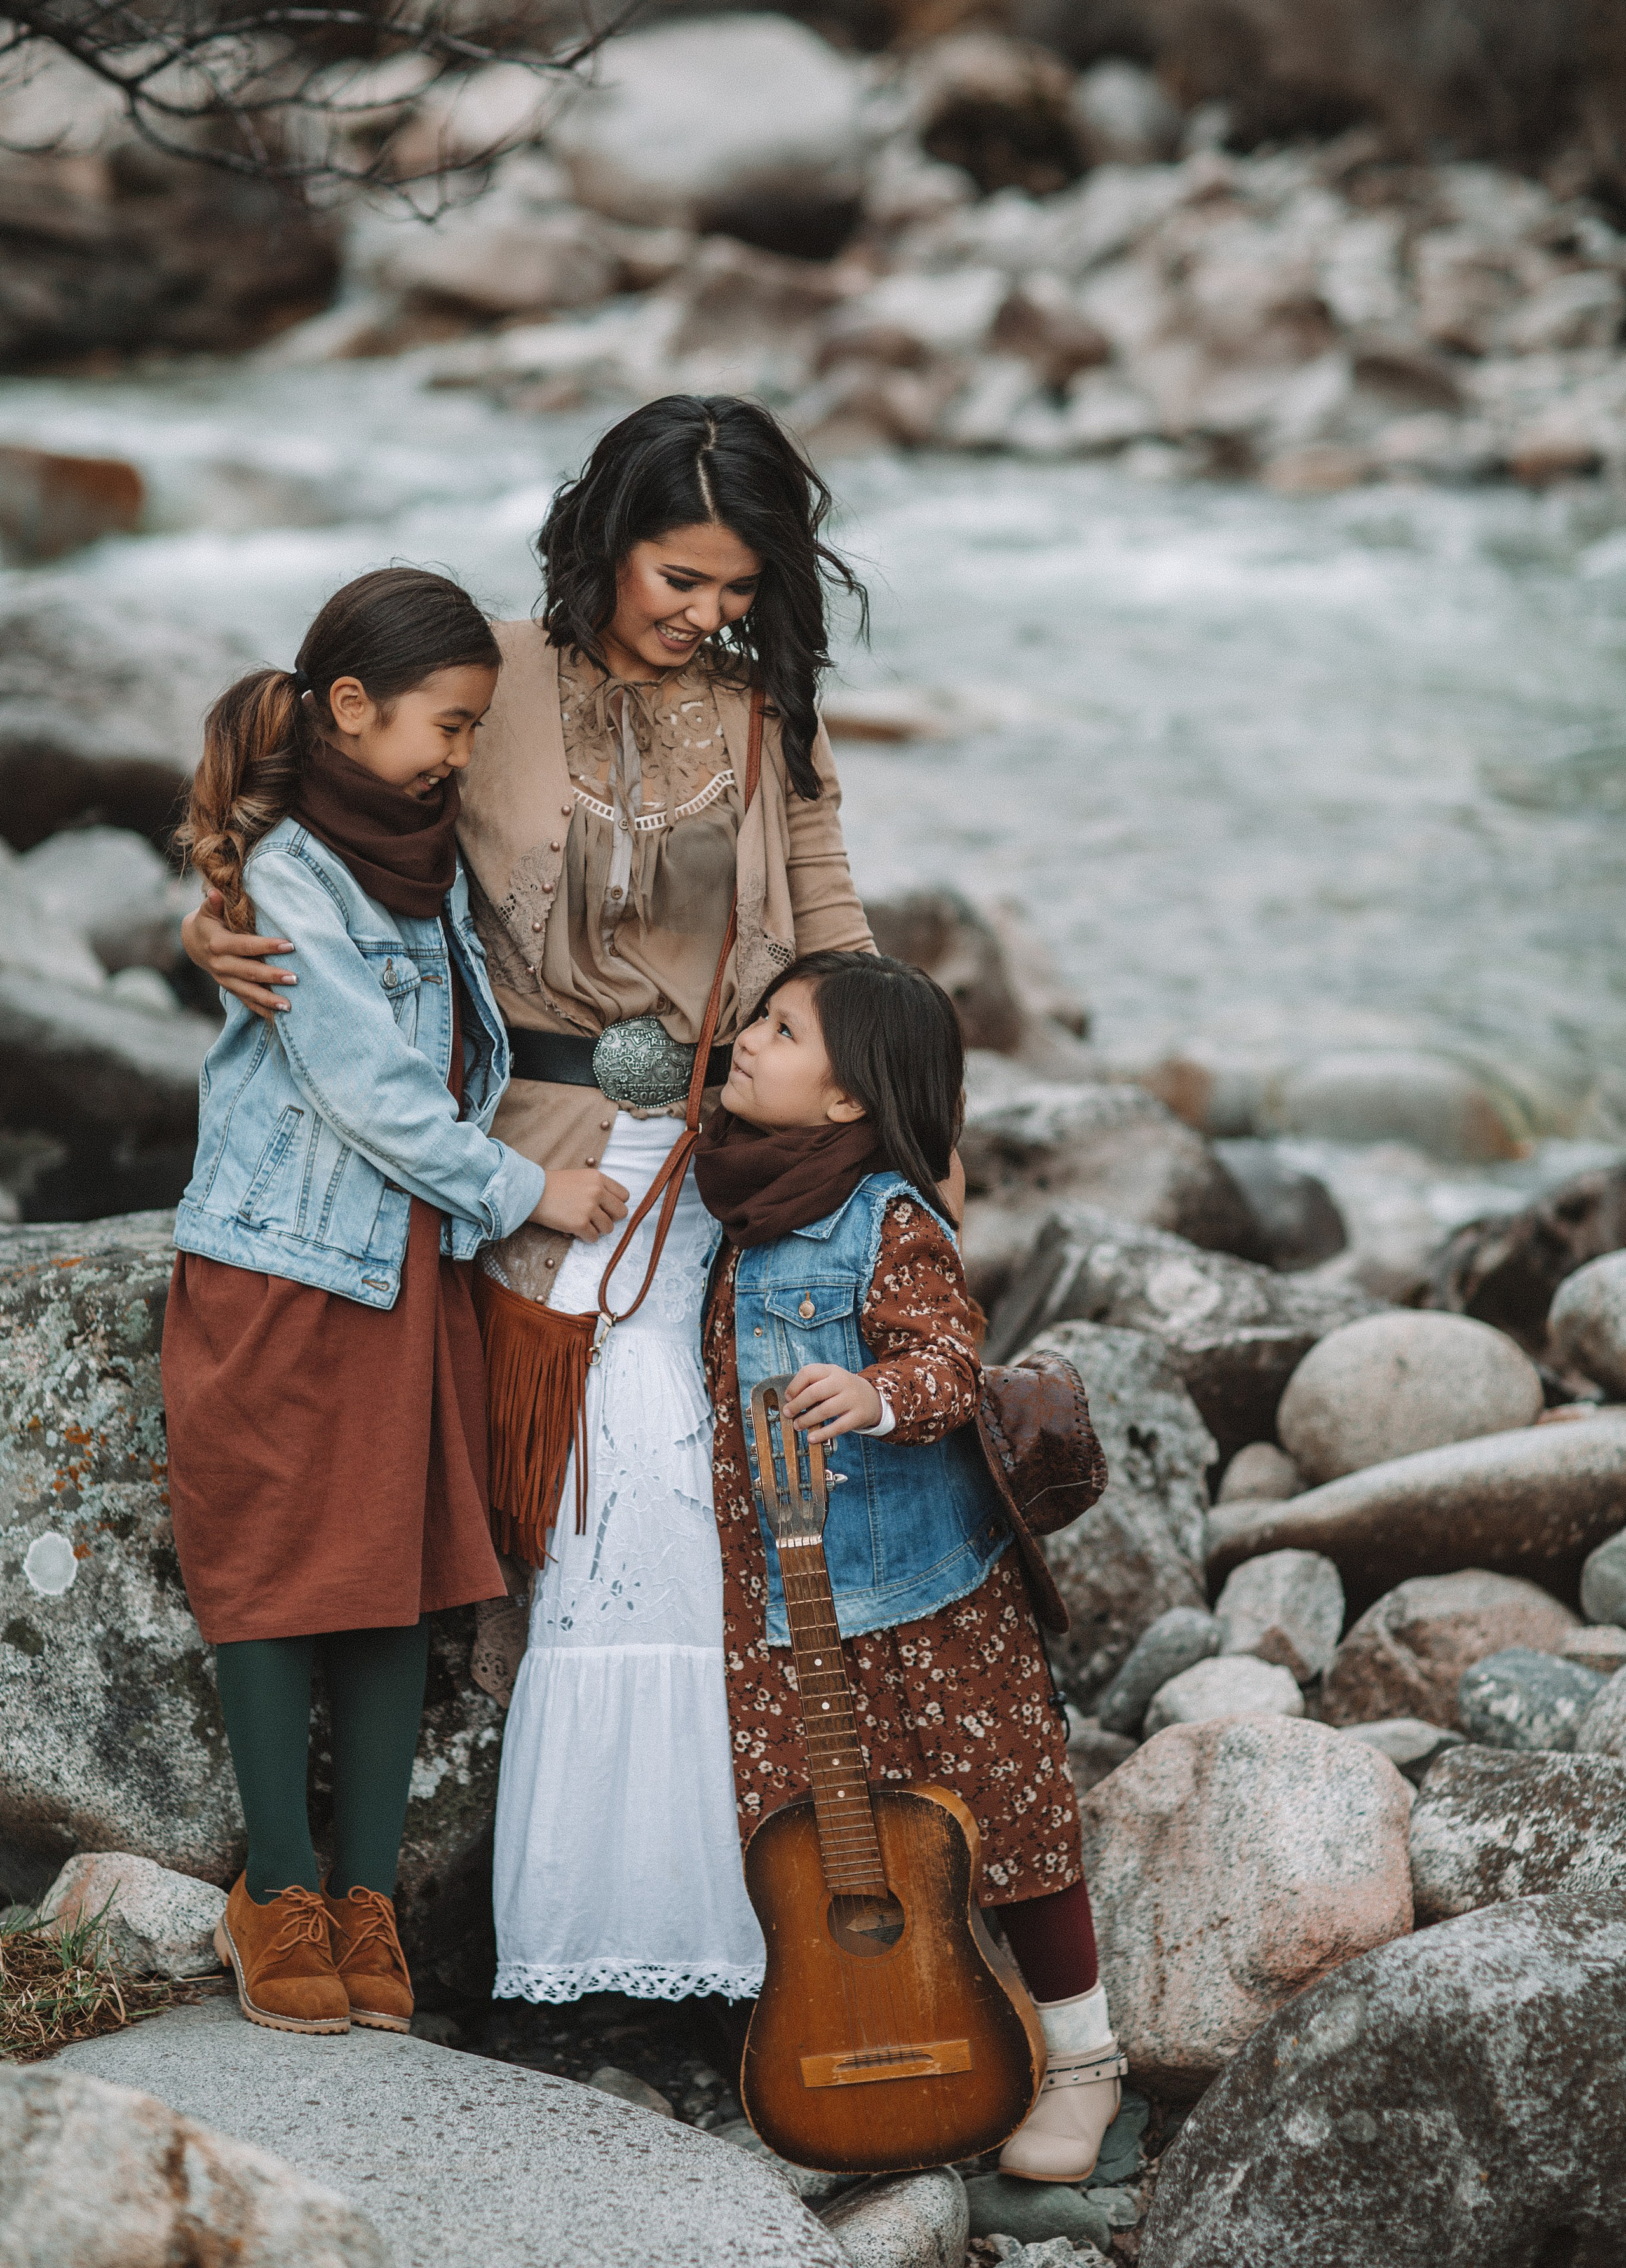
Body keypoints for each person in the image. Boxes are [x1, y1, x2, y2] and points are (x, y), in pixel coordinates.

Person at [180, 396, 881, 2008]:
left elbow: (830, 914)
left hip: (725, 1152)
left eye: (738, 585)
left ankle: (728, 1939)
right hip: (524, 1159)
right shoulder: (479, 680)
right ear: (606, 539)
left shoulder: (772, 704)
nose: (707, 614)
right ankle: (569, 1937)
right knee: (601, 1491)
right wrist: (207, 932)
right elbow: (298, 818)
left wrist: (905, 1119)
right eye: (680, 576)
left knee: (728, 1490)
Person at [163, 566, 571, 2039]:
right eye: (447, 727)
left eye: (474, 729)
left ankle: (368, 1897)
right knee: (274, 1568)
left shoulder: (425, 848)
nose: (461, 756)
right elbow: (360, 1078)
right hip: (286, 1267)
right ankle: (277, 1890)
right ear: (350, 708)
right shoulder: (289, 872)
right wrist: (525, 1189)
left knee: (398, 1572)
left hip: (405, 1270)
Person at [694, 949, 1125, 2182]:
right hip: (783, 1599)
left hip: (924, 1590)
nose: (748, 1039)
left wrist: (874, 1393)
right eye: (758, 1018)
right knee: (819, 1841)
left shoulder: (883, 1212)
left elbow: (948, 1355)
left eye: (780, 1030)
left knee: (1011, 1819)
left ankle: (1082, 2060)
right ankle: (877, 2039)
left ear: (846, 1102)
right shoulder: (739, 1195)